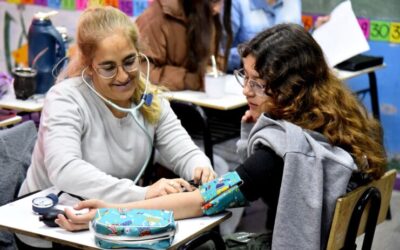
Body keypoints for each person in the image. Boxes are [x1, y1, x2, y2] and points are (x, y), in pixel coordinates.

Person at [56, 24, 386, 249]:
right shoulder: (337, 118)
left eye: (257, 83)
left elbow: (204, 201)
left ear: (290, 87)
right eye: (245, 76)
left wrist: (108, 211)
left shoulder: (281, 152)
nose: (246, 90)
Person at [17, 6, 217, 248]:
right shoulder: (65, 98)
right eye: (109, 67)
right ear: (89, 66)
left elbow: (184, 150)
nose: (123, 76)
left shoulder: (148, 97)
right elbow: (65, 169)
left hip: (109, 219)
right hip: (49, 228)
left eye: (129, 61)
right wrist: (142, 195)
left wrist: (201, 168)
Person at [135, 0, 233, 91]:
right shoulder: (154, 20)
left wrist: (212, 70)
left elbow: (213, 59)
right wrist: (190, 80)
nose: (217, 9)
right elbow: (142, 71)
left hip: (199, 98)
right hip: (162, 102)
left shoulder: (205, 13)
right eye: (213, 1)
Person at [227, 0, 302, 72]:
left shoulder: (294, 2)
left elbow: (300, 44)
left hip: (286, 78)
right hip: (245, 77)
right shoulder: (237, 3)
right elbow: (220, 55)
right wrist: (252, 56)